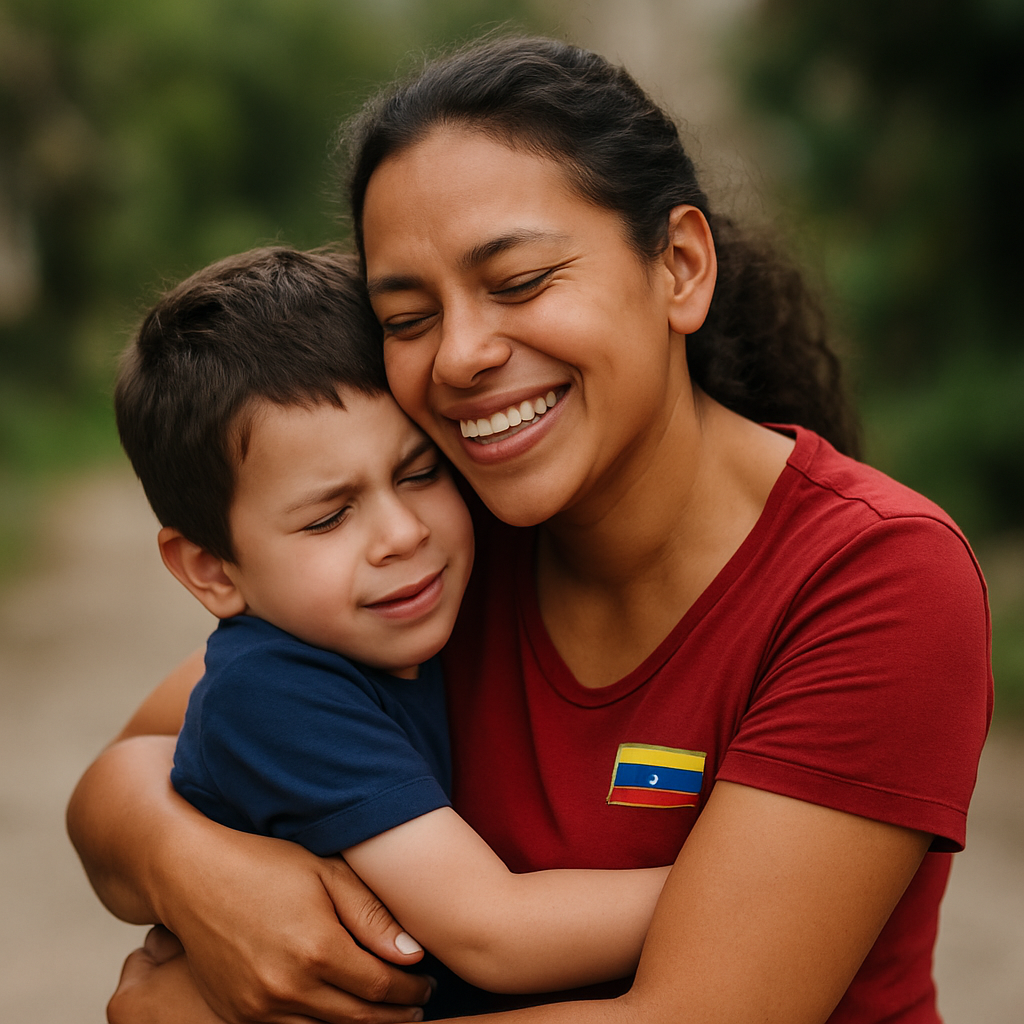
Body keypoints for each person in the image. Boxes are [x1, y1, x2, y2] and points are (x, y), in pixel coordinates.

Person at [68, 37, 992, 1024]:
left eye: (517, 282)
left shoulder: (871, 574)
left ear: (679, 265)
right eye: (410, 314)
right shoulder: (438, 546)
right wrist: (194, 869)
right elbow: (124, 779)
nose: (461, 354)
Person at [110, 244, 669, 1016]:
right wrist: (762, 884)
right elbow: (492, 931)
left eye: (418, 472)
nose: (402, 534)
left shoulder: (414, 616)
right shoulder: (270, 693)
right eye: (330, 516)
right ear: (211, 570)